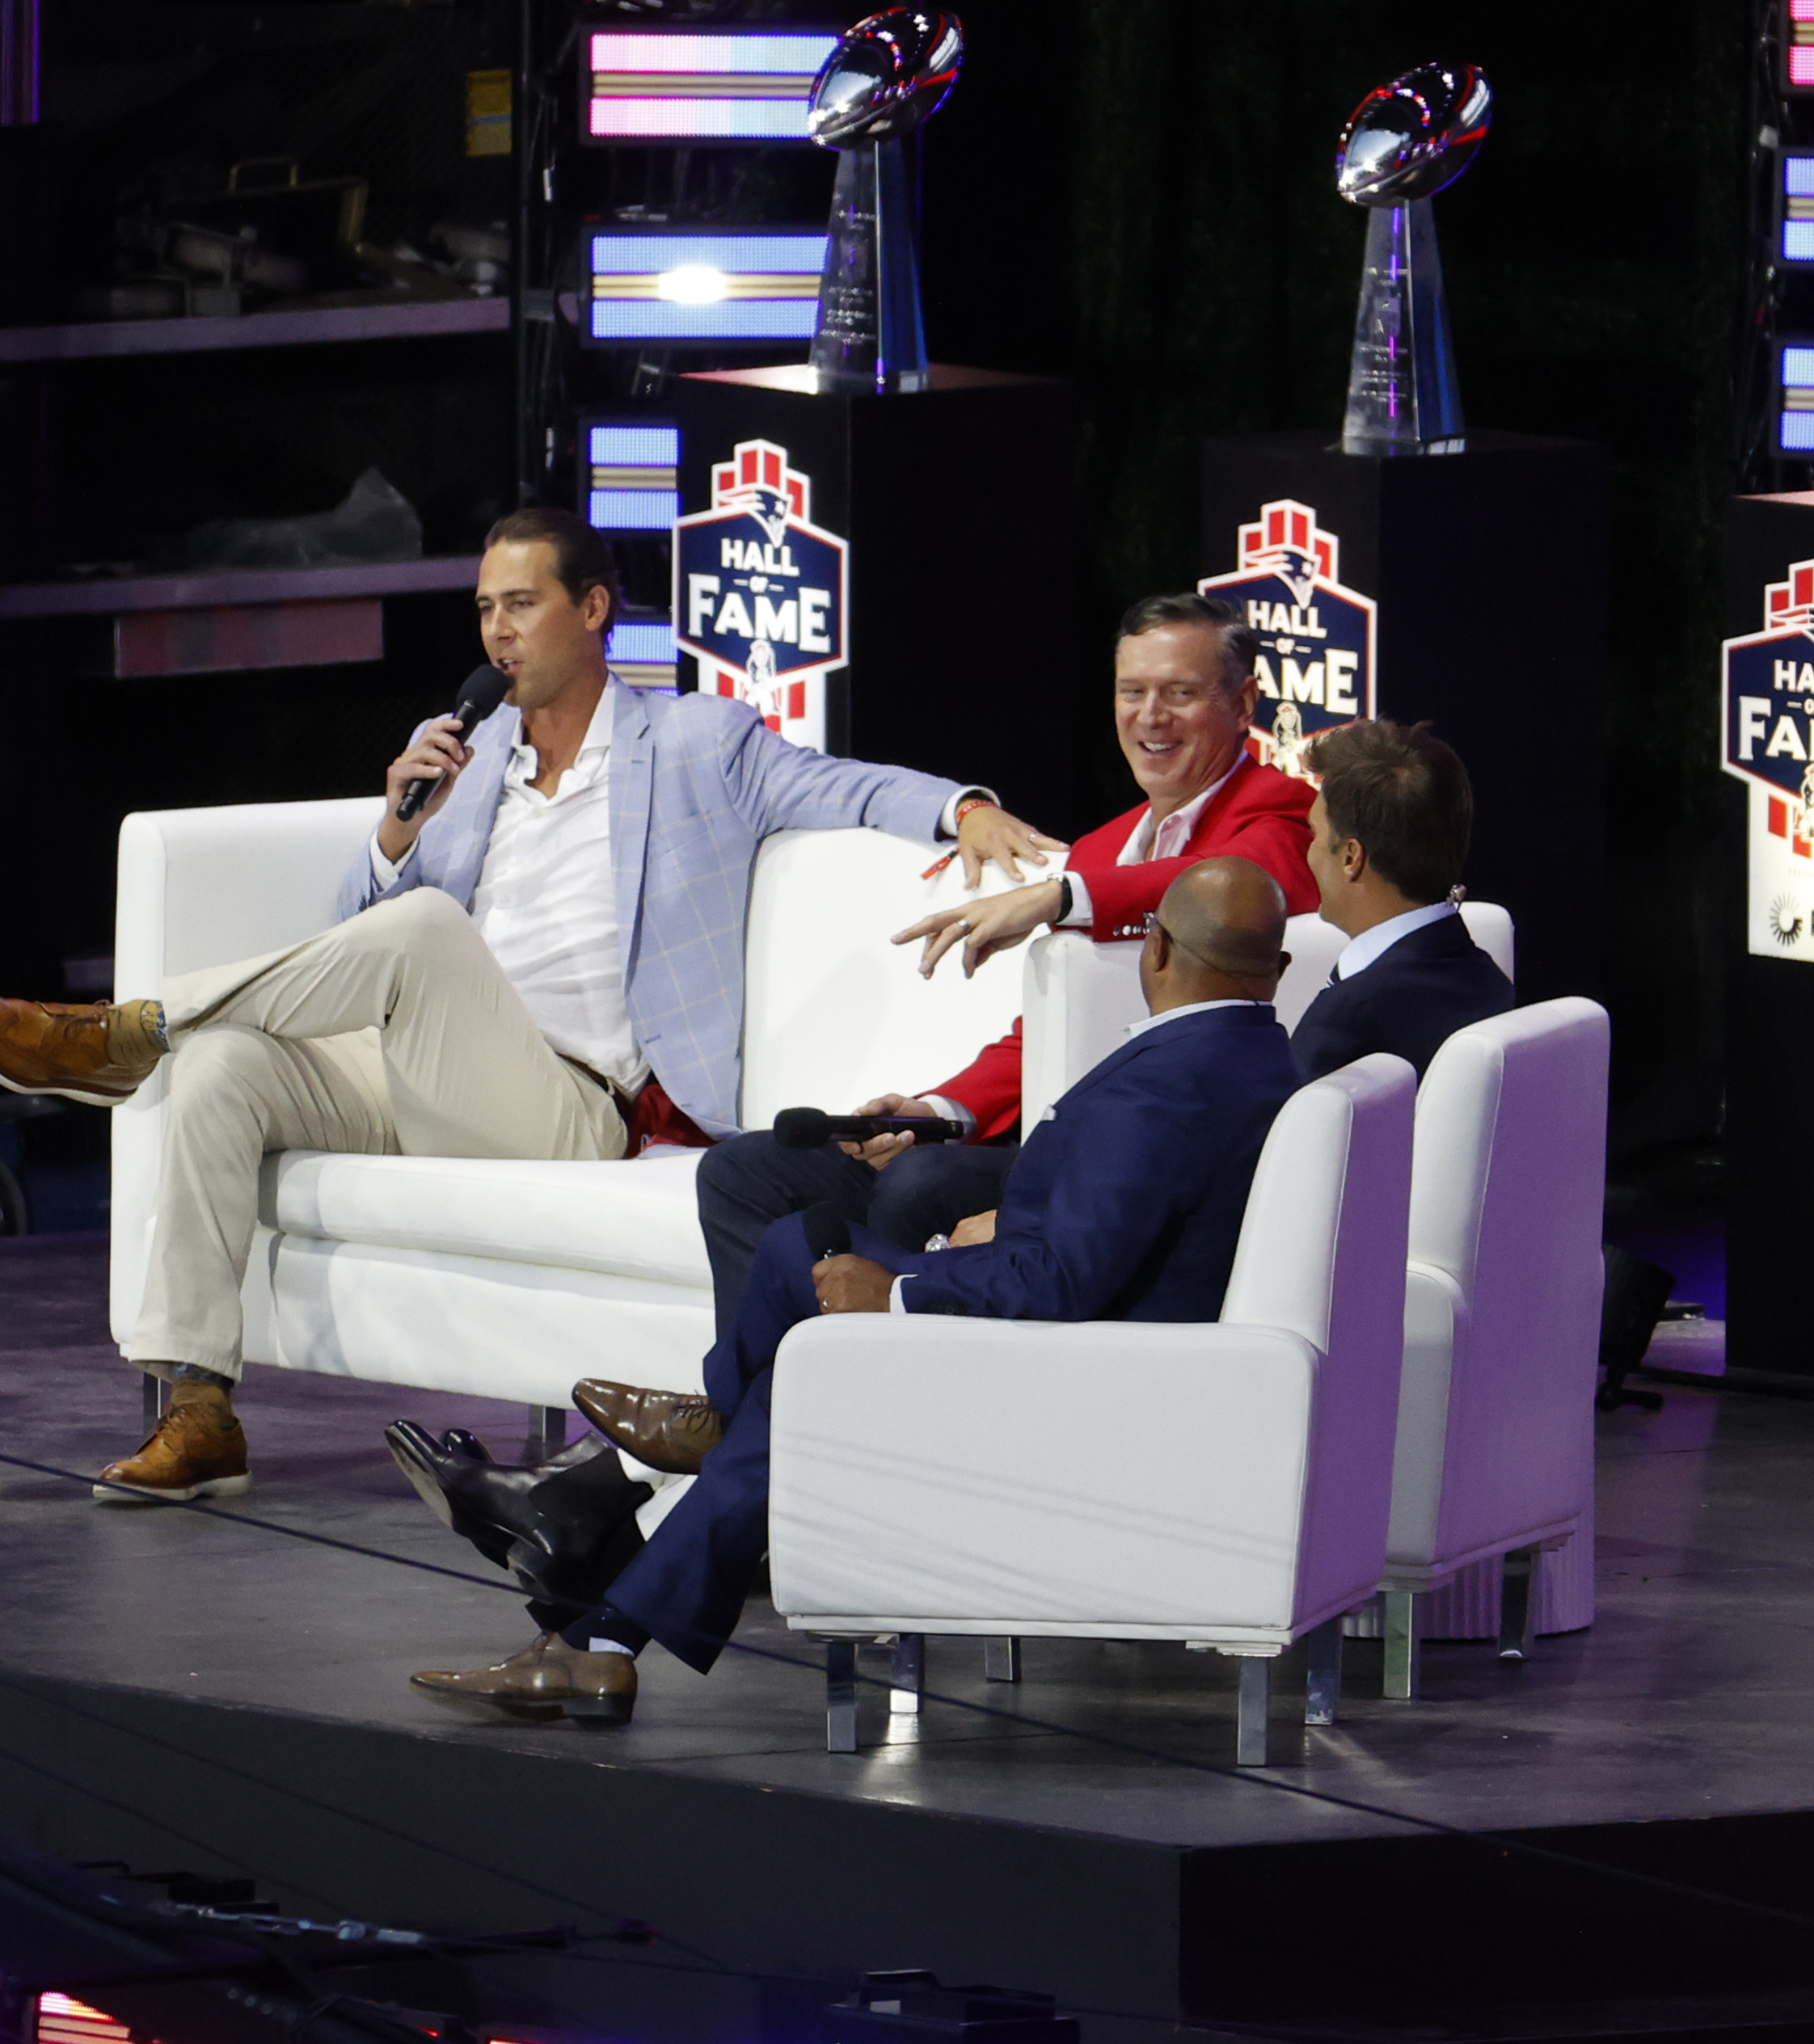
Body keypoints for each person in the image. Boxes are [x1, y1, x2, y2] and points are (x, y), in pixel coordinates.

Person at [0, 508, 1061, 1503]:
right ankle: (201, 1407)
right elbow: (356, 939)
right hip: (432, 1071)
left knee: (424, 936)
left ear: (594, 610)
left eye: (521, 605)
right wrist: (395, 831)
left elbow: (847, 784)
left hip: (576, 1098)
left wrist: (963, 809)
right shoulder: (471, 769)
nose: (497, 634)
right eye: (484, 610)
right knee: (224, 1068)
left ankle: (129, 1028)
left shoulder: (694, 744)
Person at [409, 858, 1307, 1725]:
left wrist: (901, 1295)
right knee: (796, 1247)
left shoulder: (1165, 1086)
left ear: (1154, 948)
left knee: (809, 1365)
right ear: (1280, 968)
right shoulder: (1257, 1058)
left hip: (1063, 1369)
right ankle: (696, 1460)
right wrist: (1008, 1227)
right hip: (1103, 1335)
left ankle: (608, 1630)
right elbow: (1128, 1227)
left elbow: (1065, 1284)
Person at [677, 594, 1321, 1334]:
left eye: (1179, 693)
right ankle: (772, 1401)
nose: (1151, 717)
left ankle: (877, 1394)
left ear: (1243, 704)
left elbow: (1228, 878)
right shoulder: (1105, 845)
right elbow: (1038, 1036)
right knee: (744, 1173)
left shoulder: (1281, 811)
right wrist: (938, 1113)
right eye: (1132, 692)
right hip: (1047, 1132)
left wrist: (1056, 895)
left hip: (1135, 1162)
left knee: (920, 1187)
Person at [1290, 718, 1508, 1079]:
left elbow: (1283, 1133)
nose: (1308, 852)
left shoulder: (1349, 1016)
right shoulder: (1487, 976)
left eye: (1314, 834)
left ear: (1350, 857)